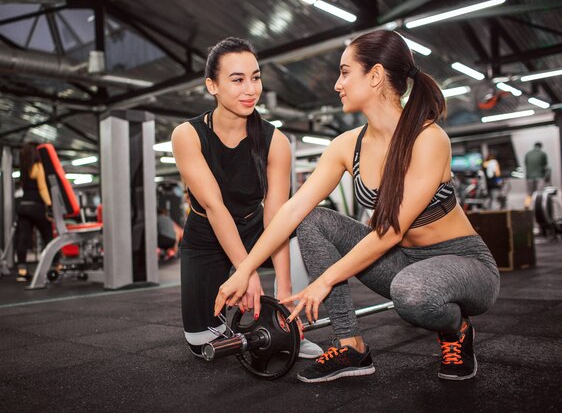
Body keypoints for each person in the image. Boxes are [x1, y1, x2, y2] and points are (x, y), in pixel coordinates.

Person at [214, 30, 500, 383]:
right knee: (311, 220)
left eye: (345, 72)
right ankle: (350, 344)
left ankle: (456, 329)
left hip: (465, 264)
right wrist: (245, 269)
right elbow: (291, 211)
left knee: (411, 291)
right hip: (401, 262)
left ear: (376, 76)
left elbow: (390, 230)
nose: (337, 84)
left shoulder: (429, 139)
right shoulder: (346, 145)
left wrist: (325, 281)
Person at [171, 37, 323, 359]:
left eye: (255, 77)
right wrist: (247, 272)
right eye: (237, 80)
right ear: (212, 85)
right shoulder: (187, 135)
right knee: (201, 344)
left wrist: (284, 297)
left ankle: (288, 325)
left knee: (302, 233)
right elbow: (214, 207)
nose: (250, 89)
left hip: (257, 229)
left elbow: (277, 216)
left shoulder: (276, 141)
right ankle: (229, 327)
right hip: (206, 234)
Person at [15, 142, 53, 282]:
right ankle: (57, 266)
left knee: (23, 238)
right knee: (48, 236)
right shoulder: (38, 166)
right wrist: (50, 205)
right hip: (36, 206)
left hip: (23, 206)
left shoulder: (24, 169)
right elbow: (42, 188)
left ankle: (22, 272)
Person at [524, 142, 548, 208]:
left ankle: (527, 206)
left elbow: (526, 164)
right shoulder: (542, 154)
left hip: (529, 177)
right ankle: (538, 207)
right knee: (539, 193)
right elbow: (545, 166)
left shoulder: (528, 154)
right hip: (539, 176)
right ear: (540, 147)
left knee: (529, 193)